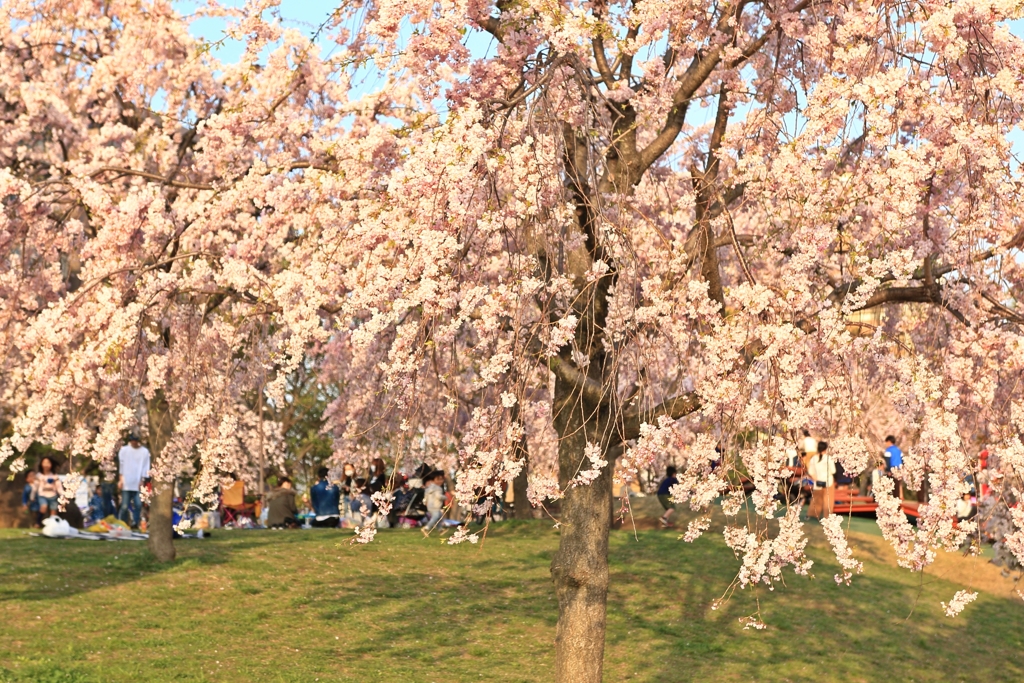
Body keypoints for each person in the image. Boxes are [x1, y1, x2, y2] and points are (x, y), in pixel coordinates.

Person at [118, 434, 151, 529]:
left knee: (138, 504)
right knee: (124, 506)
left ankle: (135, 523)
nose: (134, 442)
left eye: (135, 440)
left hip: (137, 482)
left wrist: (142, 480)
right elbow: (122, 465)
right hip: (126, 482)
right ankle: (122, 523)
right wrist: (121, 480)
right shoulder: (124, 450)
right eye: (132, 440)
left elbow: (145, 466)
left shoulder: (144, 452)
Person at [806, 441, 835, 519]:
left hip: (817, 481)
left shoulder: (814, 458)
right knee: (828, 500)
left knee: (816, 499)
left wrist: (815, 478)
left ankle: (811, 515)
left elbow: (810, 471)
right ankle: (827, 516)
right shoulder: (829, 458)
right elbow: (833, 471)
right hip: (828, 481)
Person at [33, 456, 64, 520]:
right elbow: (35, 487)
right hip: (42, 495)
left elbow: (59, 487)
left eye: (48, 463)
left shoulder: (54, 476)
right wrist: (32, 495)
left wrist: (62, 496)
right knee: (44, 506)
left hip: (53, 496)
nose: (46, 465)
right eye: (44, 462)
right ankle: (38, 522)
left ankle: (52, 524)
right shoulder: (39, 475)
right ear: (41, 464)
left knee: (53, 510)